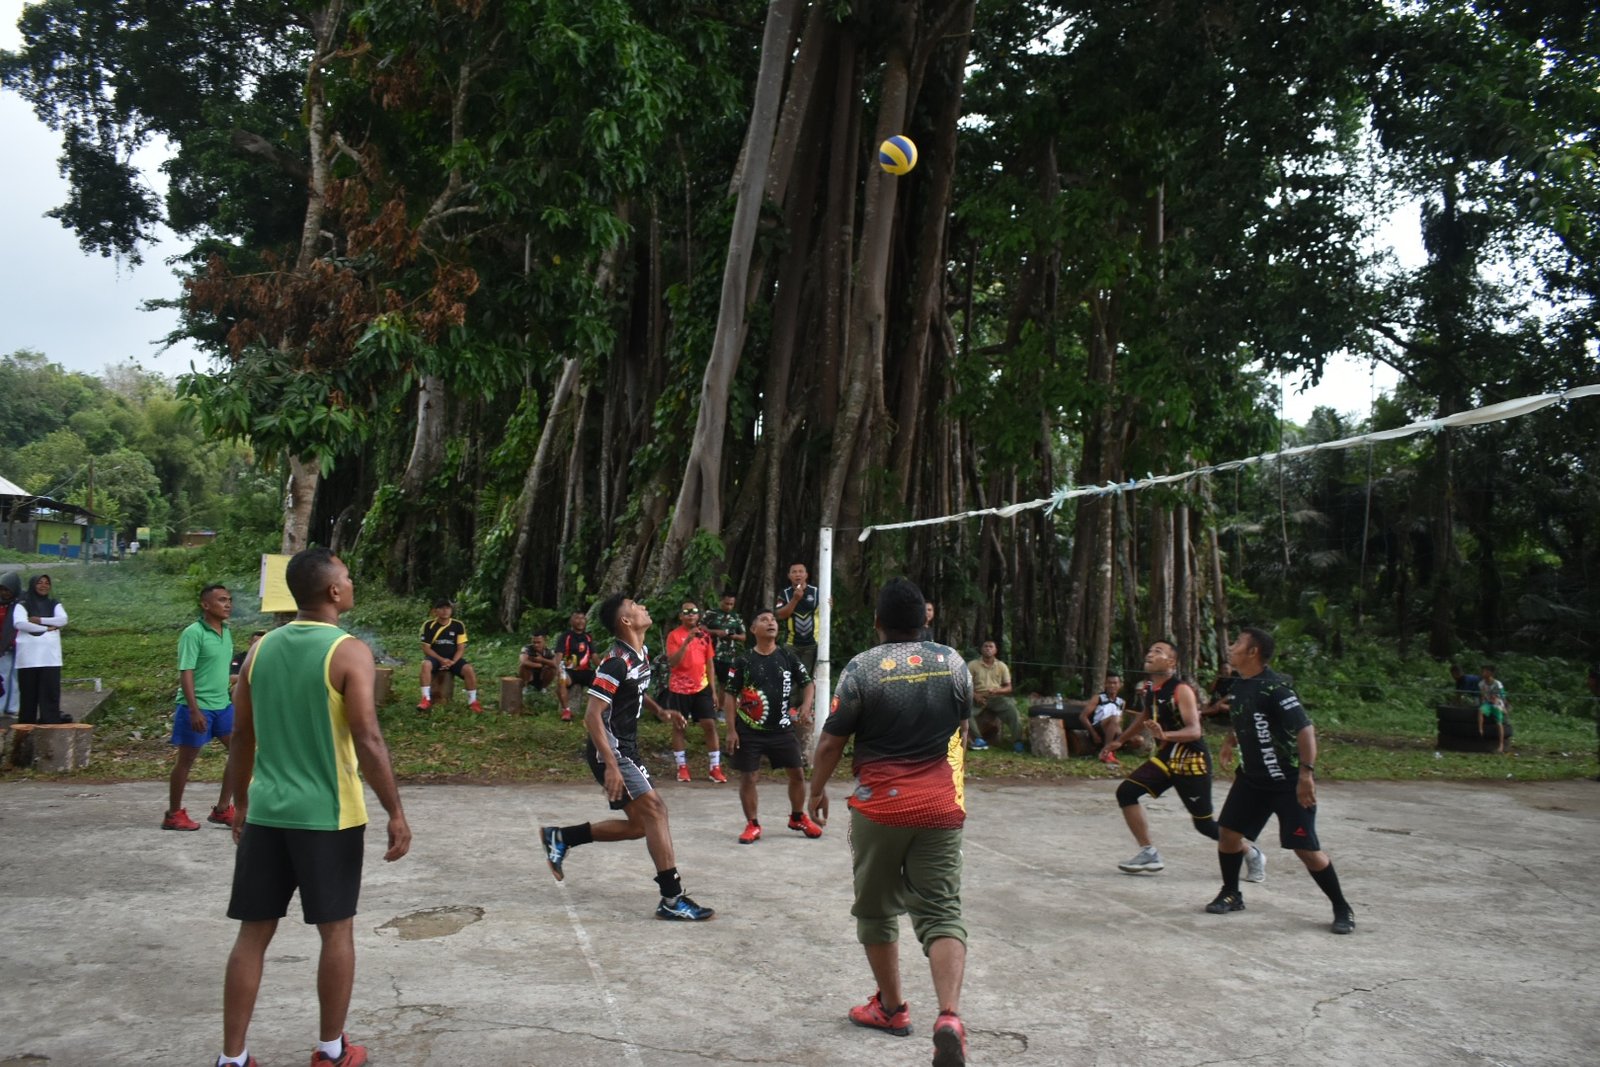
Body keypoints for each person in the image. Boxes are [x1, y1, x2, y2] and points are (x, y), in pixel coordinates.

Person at [217, 547, 411, 1067]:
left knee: (252, 936)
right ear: (332, 592)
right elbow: (367, 738)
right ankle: (330, 1049)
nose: (351, 583)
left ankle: (231, 1058)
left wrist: (237, 803)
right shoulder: (349, 652)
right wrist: (395, 809)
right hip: (328, 816)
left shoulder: (260, 650)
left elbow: (241, 735)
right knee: (336, 931)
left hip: (265, 813)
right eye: (347, 577)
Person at [807, 577, 973, 1067]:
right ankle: (949, 1016)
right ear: (927, 617)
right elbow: (961, 729)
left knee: (877, 910)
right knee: (942, 910)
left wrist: (815, 791)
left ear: (877, 622)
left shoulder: (862, 669)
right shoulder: (954, 663)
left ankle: (893, 1009)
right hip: (941, 806)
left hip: (881, 807)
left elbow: (833, 741)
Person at [538, 593, 714, 922]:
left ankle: (562, 837)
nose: (643, 607)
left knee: (638, 826)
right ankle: (672, 899)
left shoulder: (639, 654)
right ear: (626, 621)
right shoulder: (615, 661)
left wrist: (660, 710)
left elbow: (633, 688)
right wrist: (613, 765)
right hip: (613, 749)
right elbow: (592, 716)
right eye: (635, 606)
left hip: (625, 749)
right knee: (657, 811)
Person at [1209, 626, 1354, 935]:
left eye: (1237, 643)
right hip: (1252, 780)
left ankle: (1342, 907)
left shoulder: (1277, 689)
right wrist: (1228, 741)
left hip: (1287, 781)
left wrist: (1306, 774)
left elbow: (1305, 729)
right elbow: (1244, 717)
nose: (1231, 647)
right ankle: (1231, 893)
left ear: (1253, 652)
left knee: (1306, 850)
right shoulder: (1240, 685)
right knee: (1229, 835)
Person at [1106, 640, 1265, 882]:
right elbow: (1144, 716)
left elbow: (1194, 731)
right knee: (1126, 793)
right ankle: (1149, 853)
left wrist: (1164, 735)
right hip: (1166, 758)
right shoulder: (1151, 688)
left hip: (1192, 761)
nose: (1150, 653)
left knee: (1204, 825)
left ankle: (1251, 853)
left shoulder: (1182, 690)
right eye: (1149, 650)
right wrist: (1119, 740)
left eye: (1157, 651)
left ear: (1171, 663)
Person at [723, 610, 820, 843]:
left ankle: (797, 817)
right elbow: (729, 695)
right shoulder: (743, 661)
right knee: (749, 777)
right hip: (749, 730)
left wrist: (806, 706)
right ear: (753, 630)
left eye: (773, 620)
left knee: (797, 773)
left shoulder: (788, 656)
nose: (771, 623)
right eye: (764, 620)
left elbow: (808, 684)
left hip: (782, 728)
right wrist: (731, 729)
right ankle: (752, 824)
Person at [164, 584, 239, 832]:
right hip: (196, 707)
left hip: (223, 705)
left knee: (239, 752)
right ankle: (173, 814)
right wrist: (194, 709)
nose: (227, 604)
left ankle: (222, 809)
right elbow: (186, 672)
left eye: (229, 599)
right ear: (205, 605)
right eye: (221, 600)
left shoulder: (226, 631)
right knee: (186, 761)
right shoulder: (193, 633)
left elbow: (218, 670)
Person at [665, 601, 725, 782]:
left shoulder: (705, 636)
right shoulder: (674, 636)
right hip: (679, 688)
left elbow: (709, 663)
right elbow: (673, 662)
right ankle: (681, 767)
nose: (691, 615)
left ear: (698, 616)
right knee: (679, 726)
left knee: (710, 724)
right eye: (687, 612)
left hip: (702, 687)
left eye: (694, 612)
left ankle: (715, 767)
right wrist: (687, 642)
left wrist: (713, 690)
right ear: (681, 616)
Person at [13, 573, 68, 724]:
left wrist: (39, 620)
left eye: (46, 583)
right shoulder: (22, 604)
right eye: (40, 583)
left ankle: (50, 723)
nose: (43, 586)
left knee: (50, 693)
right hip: (28, 658)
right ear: (33, 585)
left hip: (50, 657)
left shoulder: (53, 603)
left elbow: (63, 620)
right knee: (28, 694)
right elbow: (19, 623)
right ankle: (26, 726)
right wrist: (47, 628)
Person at [416, 598, 482, 712]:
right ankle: (425, 699)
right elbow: (426, 648)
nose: (445, 611)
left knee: (469, 669)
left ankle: (473, 702)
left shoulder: (458, 625)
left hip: (453, 659)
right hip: (435, 658)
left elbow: (461, 648)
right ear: (435, 611)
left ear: (451, 610)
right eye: (441, 608)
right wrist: (441, 660)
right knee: (425, 665)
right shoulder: (429, 625)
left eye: (447, 608)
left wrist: (453, 662)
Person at [966, 640, 1021, 752]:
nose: (988, 648)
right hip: (977, 697)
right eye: (985, 646)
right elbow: (965, 684)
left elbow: (1009, 688)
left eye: (991, 646)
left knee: (1013, 711)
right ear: (981, 650)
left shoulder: (1001, 666)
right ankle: (978, 740)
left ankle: (1017, 742)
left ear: (995, 650)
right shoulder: (972, 665)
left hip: (996, 697)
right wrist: (975, 695)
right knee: (965, 713)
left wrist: (998, 691)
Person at [701, 591, 747, 704]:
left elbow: (743, 636)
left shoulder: (736, 617)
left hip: (728, 656)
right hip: (709, 652)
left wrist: (733, 636)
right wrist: (715, 632)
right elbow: (700, 627)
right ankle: (704, 705)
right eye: (726, 603)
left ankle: (720, 708)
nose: (729, 606)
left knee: (724, 683)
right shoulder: (711, 613)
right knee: (704, 680)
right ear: (721, 601)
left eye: (731, 604)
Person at [774, 562, 820, 675]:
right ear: (789, 576)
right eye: (794, 572)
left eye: (800, 571)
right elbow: (779, 615)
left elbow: (825, 613)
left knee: (807, 677)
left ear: (806, 575)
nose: (797, 574)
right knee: (791, 677)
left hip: (812, 644)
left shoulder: (817, 592)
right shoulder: (784, 594)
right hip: (791, 644)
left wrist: (829, 606)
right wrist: (795, 599)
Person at [554, 610, 597, 722]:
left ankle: (597, 712)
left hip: (585, 671)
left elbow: (595, 657)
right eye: (577, 618)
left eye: (582, 618)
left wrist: (605, 669)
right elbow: (558, 655)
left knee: (601, 682)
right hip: (570, 671)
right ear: (571, 621)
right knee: (561, 680)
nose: (580, 621)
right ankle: (566, 710)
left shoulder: (588, 637)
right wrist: (558, 669)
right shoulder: (565, 636)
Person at [0, 572, 20, 717]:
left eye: (8, 590)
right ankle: (0, 707)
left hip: (19, 645)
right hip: (3, 646)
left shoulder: (21, 603)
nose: (5, 593)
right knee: (2, 676)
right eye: (2, 590)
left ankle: (13, 707)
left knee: (16, 676)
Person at [1478, 664, 1510, 754]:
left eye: (1484, 671)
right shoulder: (1481, 683)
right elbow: (1482, 695)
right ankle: (1480, 730)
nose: (1482, 673)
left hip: (1497, 703)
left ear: (1490, 673)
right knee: (1480, 710)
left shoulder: (1497, 684)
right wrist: (1483, 703)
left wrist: (1504, 706)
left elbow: (1503, 696)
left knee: (1498, 722)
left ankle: (1501, 744)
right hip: (1488, 702)